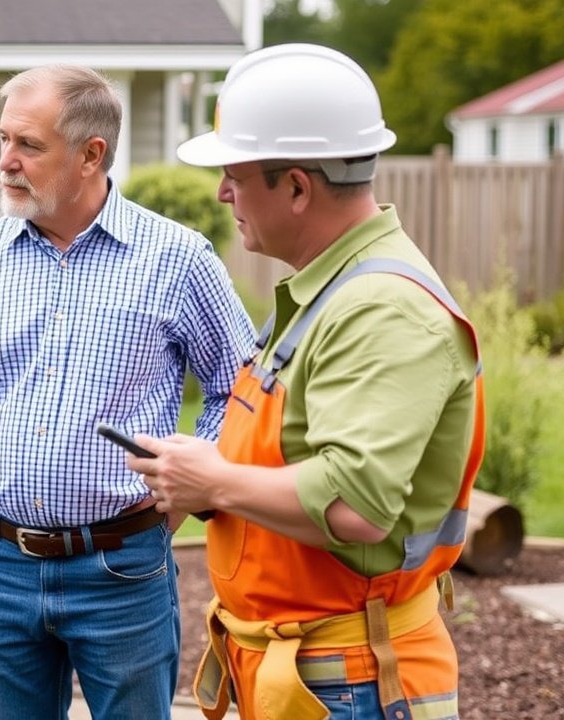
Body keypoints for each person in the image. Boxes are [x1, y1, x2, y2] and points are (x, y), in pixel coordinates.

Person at [129, 44, 485, 720]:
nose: (222, 193)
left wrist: (214, 482)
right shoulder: (331, 292)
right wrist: (203, 475)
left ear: (296, 186)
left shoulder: (382, 308)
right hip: (316, 674)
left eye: (235, 174)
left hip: (352, 684)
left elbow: (356, 506)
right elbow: (290, 459)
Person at [0, 64, 256, 718]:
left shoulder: (176, 259)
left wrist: (186, 481)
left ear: (91, 154)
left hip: (122, 569)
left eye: (29, 146)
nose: (6, 161)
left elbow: (239, 390)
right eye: (4, 139)